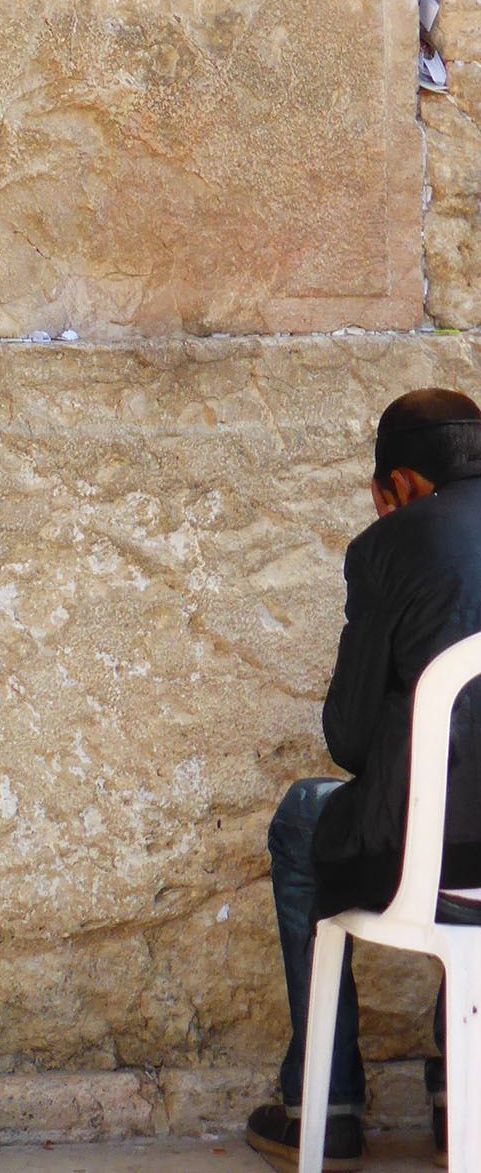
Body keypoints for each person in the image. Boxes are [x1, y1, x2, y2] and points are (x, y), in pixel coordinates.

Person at [247, 389, 481, 1172]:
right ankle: (461, 1093)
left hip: (432, 859)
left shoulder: (391, 546)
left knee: (302, 816)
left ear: (403, 485)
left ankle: (328, 1103)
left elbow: (347, 742)